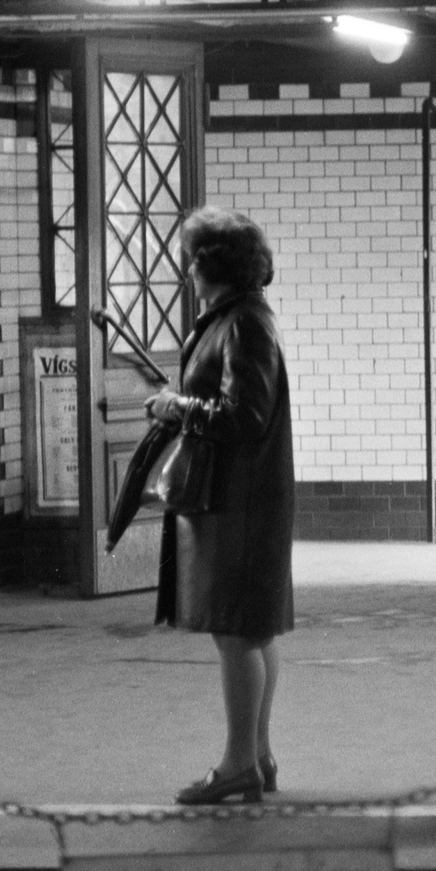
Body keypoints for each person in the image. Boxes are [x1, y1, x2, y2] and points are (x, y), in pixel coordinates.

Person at [145, 206, 295, 806]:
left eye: (192, 261)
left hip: (237, 498)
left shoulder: (242, 324)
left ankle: (237, 764)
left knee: (235, 632)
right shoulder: (242, 317)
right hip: (249, 494)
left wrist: (176, 407)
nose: (187, 273)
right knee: (254, 631)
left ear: (211, 266)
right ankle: (256, 755)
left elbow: (245, 415)